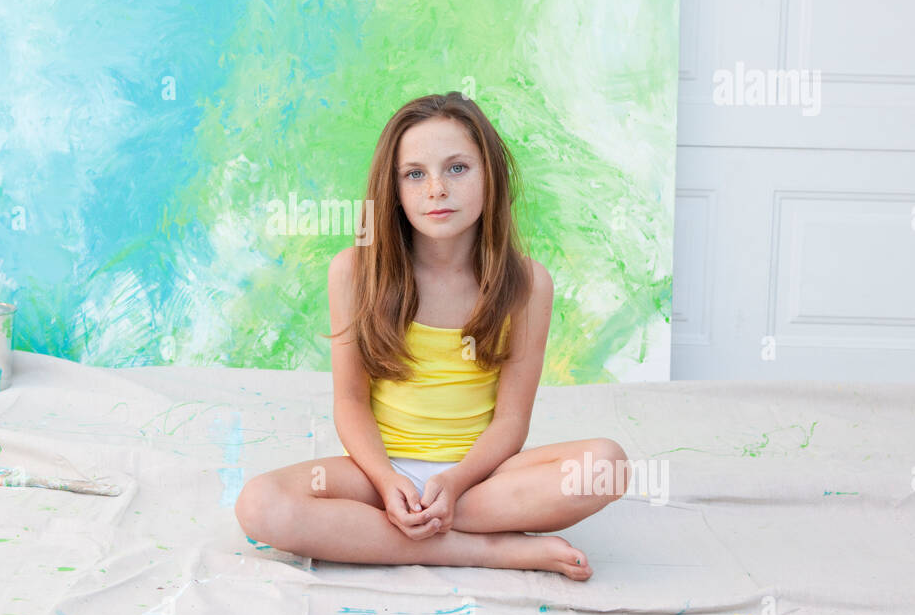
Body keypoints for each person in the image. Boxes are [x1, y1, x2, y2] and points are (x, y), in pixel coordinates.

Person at [235, 92, 630, 578]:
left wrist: (456, 481)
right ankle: (485, 550)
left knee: (606, 465)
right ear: (394, 188)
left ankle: (393, 529)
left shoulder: (527, 284)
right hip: (375, 473)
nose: (436, 189)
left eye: (457, 168)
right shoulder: (355, 272)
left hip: (481, 480)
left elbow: (510, 420)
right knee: (261, 504)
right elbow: (352, 403)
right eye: (415, 174)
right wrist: (385, 481)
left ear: (490, 176)